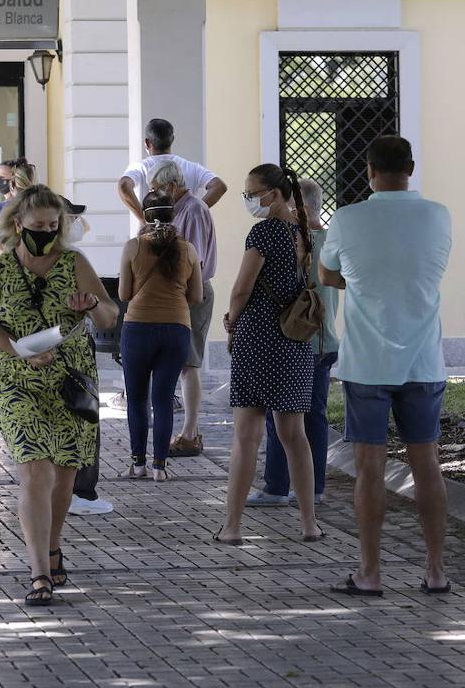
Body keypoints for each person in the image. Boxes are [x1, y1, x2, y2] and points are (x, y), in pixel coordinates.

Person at [0, 185, 118, 605]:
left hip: (70, 380)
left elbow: (110, 315)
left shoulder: (76, 263)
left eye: (54, 226)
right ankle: (39, 572)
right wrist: (15, 348)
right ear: (17, 225)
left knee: (64, 474)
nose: (47, 232)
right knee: (36, 470)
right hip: (16, 377)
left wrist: (91, 305)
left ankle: (53, 546)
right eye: (38, 226)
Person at [319, 135, 452, 597]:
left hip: (366, 364)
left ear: (369, 170)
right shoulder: (438, 215)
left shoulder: (347, 218)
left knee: (369, 469)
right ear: (411, 167)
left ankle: (370, 572)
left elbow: (326, 273)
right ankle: (436, 570)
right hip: (424, 362)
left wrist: (358, 281)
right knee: (428, 465)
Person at [217, 164, 320, 545]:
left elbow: (243, 287)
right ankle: (309, 523)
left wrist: (231, 318)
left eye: (251, 193)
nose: (247, 200)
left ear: (273, 194)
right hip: (294, 341)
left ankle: (232, 526)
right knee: (295, 435)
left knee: (247, 435)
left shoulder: (264, 231)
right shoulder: (301, 231)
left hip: (259, 335)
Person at [247, 178, 340, 507]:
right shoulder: (330, 242)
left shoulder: (295, 241)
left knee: (280, 415)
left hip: (295, 339)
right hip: (325, 340)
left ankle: (277, 485)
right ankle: (313, 487)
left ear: (296, 205)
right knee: (314, 415)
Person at [118, 190, 203, 480]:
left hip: (138, 328)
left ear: (145, 214)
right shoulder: (189, 249)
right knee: (164, 399)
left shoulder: (133, 247)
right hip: (177, 328)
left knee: (137, 399)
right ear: (173, 215)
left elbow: (124, 294)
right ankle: (160, 467)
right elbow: (197, 296)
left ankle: (137, 463)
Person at [148, 160, 218, 458]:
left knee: (189, 363)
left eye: (157, 189)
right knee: (180, 363)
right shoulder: (177, 210)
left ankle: (190, 432)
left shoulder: (194, 210)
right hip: (178, 292)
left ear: (172, 186)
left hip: (193, 293)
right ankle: (185, 430)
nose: (154, 195)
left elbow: (196, 262)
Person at [118, 118, 228, 223]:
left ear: (147, 143)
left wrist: (143, 219)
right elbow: (219, 186)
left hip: (152, 237)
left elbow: (123, 185)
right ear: (172, 140)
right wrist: (194, 211)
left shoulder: (140, 167)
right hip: (186, 235)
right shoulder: (191, 167)